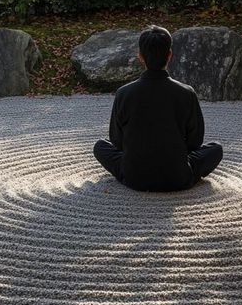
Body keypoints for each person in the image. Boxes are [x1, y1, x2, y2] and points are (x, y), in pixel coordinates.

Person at [93, 25, 223, 191]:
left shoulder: (124, 93)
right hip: (177, 176)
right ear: (169, 55)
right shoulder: (186, 93)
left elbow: (117, 142)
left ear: (140, 57)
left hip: (134, 176)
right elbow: (195, 142)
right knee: (215, 149)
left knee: (100, 146)